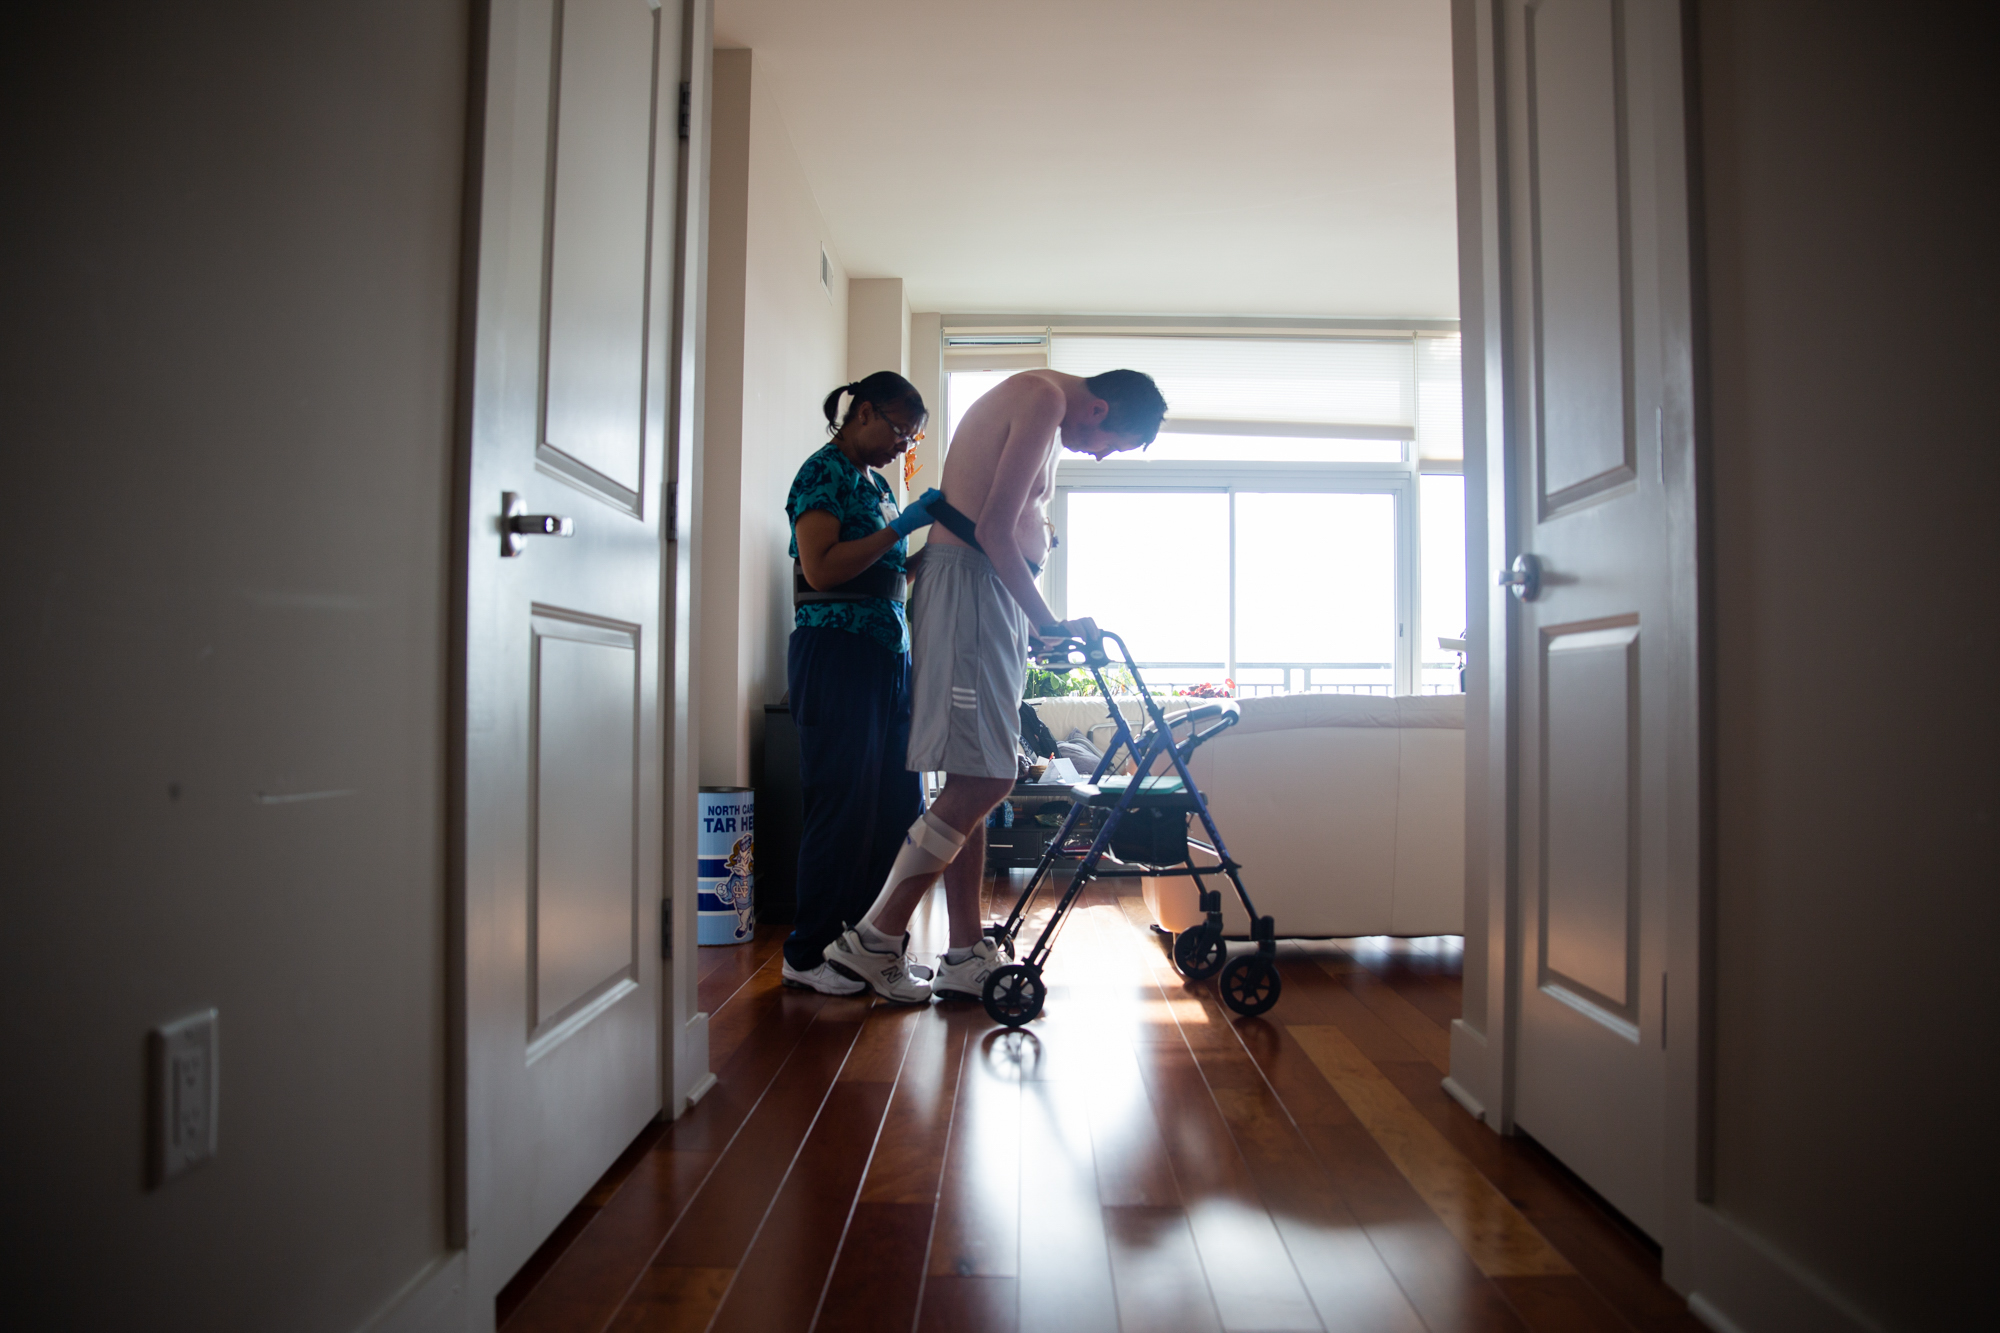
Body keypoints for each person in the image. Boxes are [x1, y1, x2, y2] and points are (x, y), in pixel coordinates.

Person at [822, 367, 1169, 1002]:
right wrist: (1049, 622)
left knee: (974, 774)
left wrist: (1031, 622)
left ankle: (960, 953)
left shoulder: (1042, 404)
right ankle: (873, 940)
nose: (1099, 454)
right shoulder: (1041, 400)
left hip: (986, 592)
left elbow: (1001, 523)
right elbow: (993, 529)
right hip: (973, 585)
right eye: (1110, 444)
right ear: (1098, 410)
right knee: (989, 778)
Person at [779, 371, 944, 995]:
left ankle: (867, 945)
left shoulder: (877, 486)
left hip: (885, 659)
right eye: (901, 431)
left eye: (912, 437)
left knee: (897, 808)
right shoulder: (823, 473)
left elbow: (886, 574)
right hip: (836, 654)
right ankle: (807, 951)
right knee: (841, 806)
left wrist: (937, 546)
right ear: (865, 412)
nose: (904, 447)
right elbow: (821, 571)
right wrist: (901, 531)